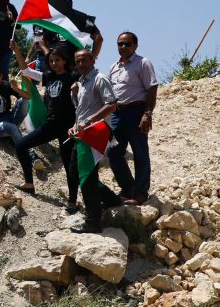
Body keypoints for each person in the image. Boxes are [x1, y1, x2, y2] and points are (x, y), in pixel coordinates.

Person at [12, 43, 80, 213]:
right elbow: (26, 71)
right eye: (51, 60)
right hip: (50, 124)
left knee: (68, 164)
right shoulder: (48, 76)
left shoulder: (73, 77)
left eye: (57, 60)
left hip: (68, 128)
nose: (54, 63)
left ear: (65, 60)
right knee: (21, 145)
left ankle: (72, 201)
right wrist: (16, 49)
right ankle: (29, 183)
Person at [69, 49, 122, 233]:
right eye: (78, 61)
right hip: (82, 134)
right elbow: (82, 110)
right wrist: (75, 126)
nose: (81, 64)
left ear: (92, 60)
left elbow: (111, 105)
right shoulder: (82, 82)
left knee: (86, 177)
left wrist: (88, 122)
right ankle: (110, 199)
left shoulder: (100, 78)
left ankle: (93, 221)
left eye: (84, 60)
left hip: (95, 133)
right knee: (77, 174)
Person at [107, 31, 158, 205]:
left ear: (135, 46)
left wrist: (147, 113)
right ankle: (128, 188)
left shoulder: (143, 63)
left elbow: (152, 88)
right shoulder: (113, 67)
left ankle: (141, 193)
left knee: (140, 153)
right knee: (113, 153)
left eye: (127, 44)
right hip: (117, 114)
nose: (123, 47)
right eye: (120, 44)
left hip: (136, 112)